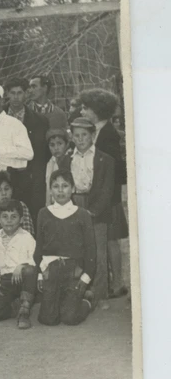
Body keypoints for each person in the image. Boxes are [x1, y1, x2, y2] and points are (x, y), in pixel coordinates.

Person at [58, 117, 115, 306]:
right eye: (76, 135)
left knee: (98, 253)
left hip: (96, 207)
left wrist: (94, 211)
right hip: (75, 204)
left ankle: (100, 295)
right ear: (71, 137)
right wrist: (70, 209)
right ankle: (80, 292)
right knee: (77, 251)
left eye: (84, 135)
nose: (80, 139)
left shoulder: (105, 159)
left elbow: (107, 189)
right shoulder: (66, 160)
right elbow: (63, 186)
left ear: (93, 135)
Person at [79, 88, 129, 300]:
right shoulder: (99, 130)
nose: (82, 111)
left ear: (97, 110)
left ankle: (117, 283)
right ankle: (113, 281)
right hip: (105, 194)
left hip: (110, 196)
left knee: (111, 240)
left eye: (85, 108)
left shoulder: (107, 134)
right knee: (107, 240)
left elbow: (112, 169)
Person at [34, 170, 96, 326]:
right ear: (50, 190)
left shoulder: (82, 214)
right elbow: (39, 247)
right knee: (48, 319)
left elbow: (91, 249)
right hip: (51, 270)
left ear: (73, 188)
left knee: (69, 318)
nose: (60, 190)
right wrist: (40, 274)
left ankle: (86, 301)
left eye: (65, 186)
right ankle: (62, 300)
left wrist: (86, 276)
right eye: (56, 186)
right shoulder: (43, 213)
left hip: (74, 270)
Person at [0, 200, 38, 329]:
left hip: (24, 278)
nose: (9, 221)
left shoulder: (26, 237)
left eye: (13, 217)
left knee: (29, 271)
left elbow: (35, 260)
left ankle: (24, 311)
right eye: (5, 217)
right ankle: (16, 307)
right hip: (6, 281)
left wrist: (22, 265)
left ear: (21, 219)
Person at [3, 78, 50, 225]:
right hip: (4, 177)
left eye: (20, 93)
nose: (16, 97)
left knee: (29, 219)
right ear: (7, 94)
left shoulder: (40, 120)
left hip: (28, 179)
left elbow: (42, 154)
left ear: (26, 94)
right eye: (12, 93)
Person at [45, 129, 70, 206]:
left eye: (59, 144)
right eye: (52, 145)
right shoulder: (50, 163)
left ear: (67, 144)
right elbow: (48, 188)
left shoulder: (71, 161)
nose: (56, 148)